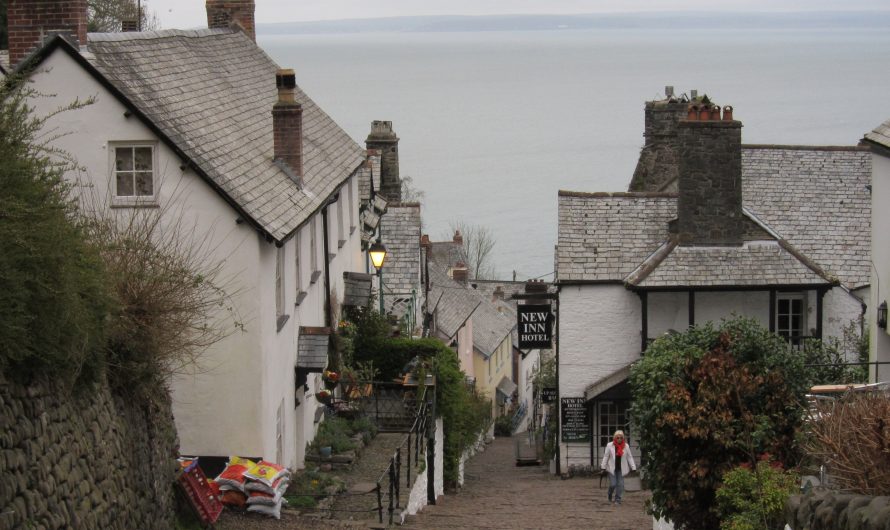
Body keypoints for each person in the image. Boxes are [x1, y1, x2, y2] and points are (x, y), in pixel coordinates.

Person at [600, 430, 636, 505]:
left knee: (620, 484)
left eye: (621, 437)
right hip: (611, 468)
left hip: (621, 469)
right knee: (613, 484)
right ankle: (609, 493)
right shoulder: (610, 445)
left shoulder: (626, 446)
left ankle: (618, 499)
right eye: (617, 437)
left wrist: (633, 467)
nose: (619, 439)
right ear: (615, 438)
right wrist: (603, 467)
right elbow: (606, 456)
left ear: (623, 438)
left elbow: (629, 457)